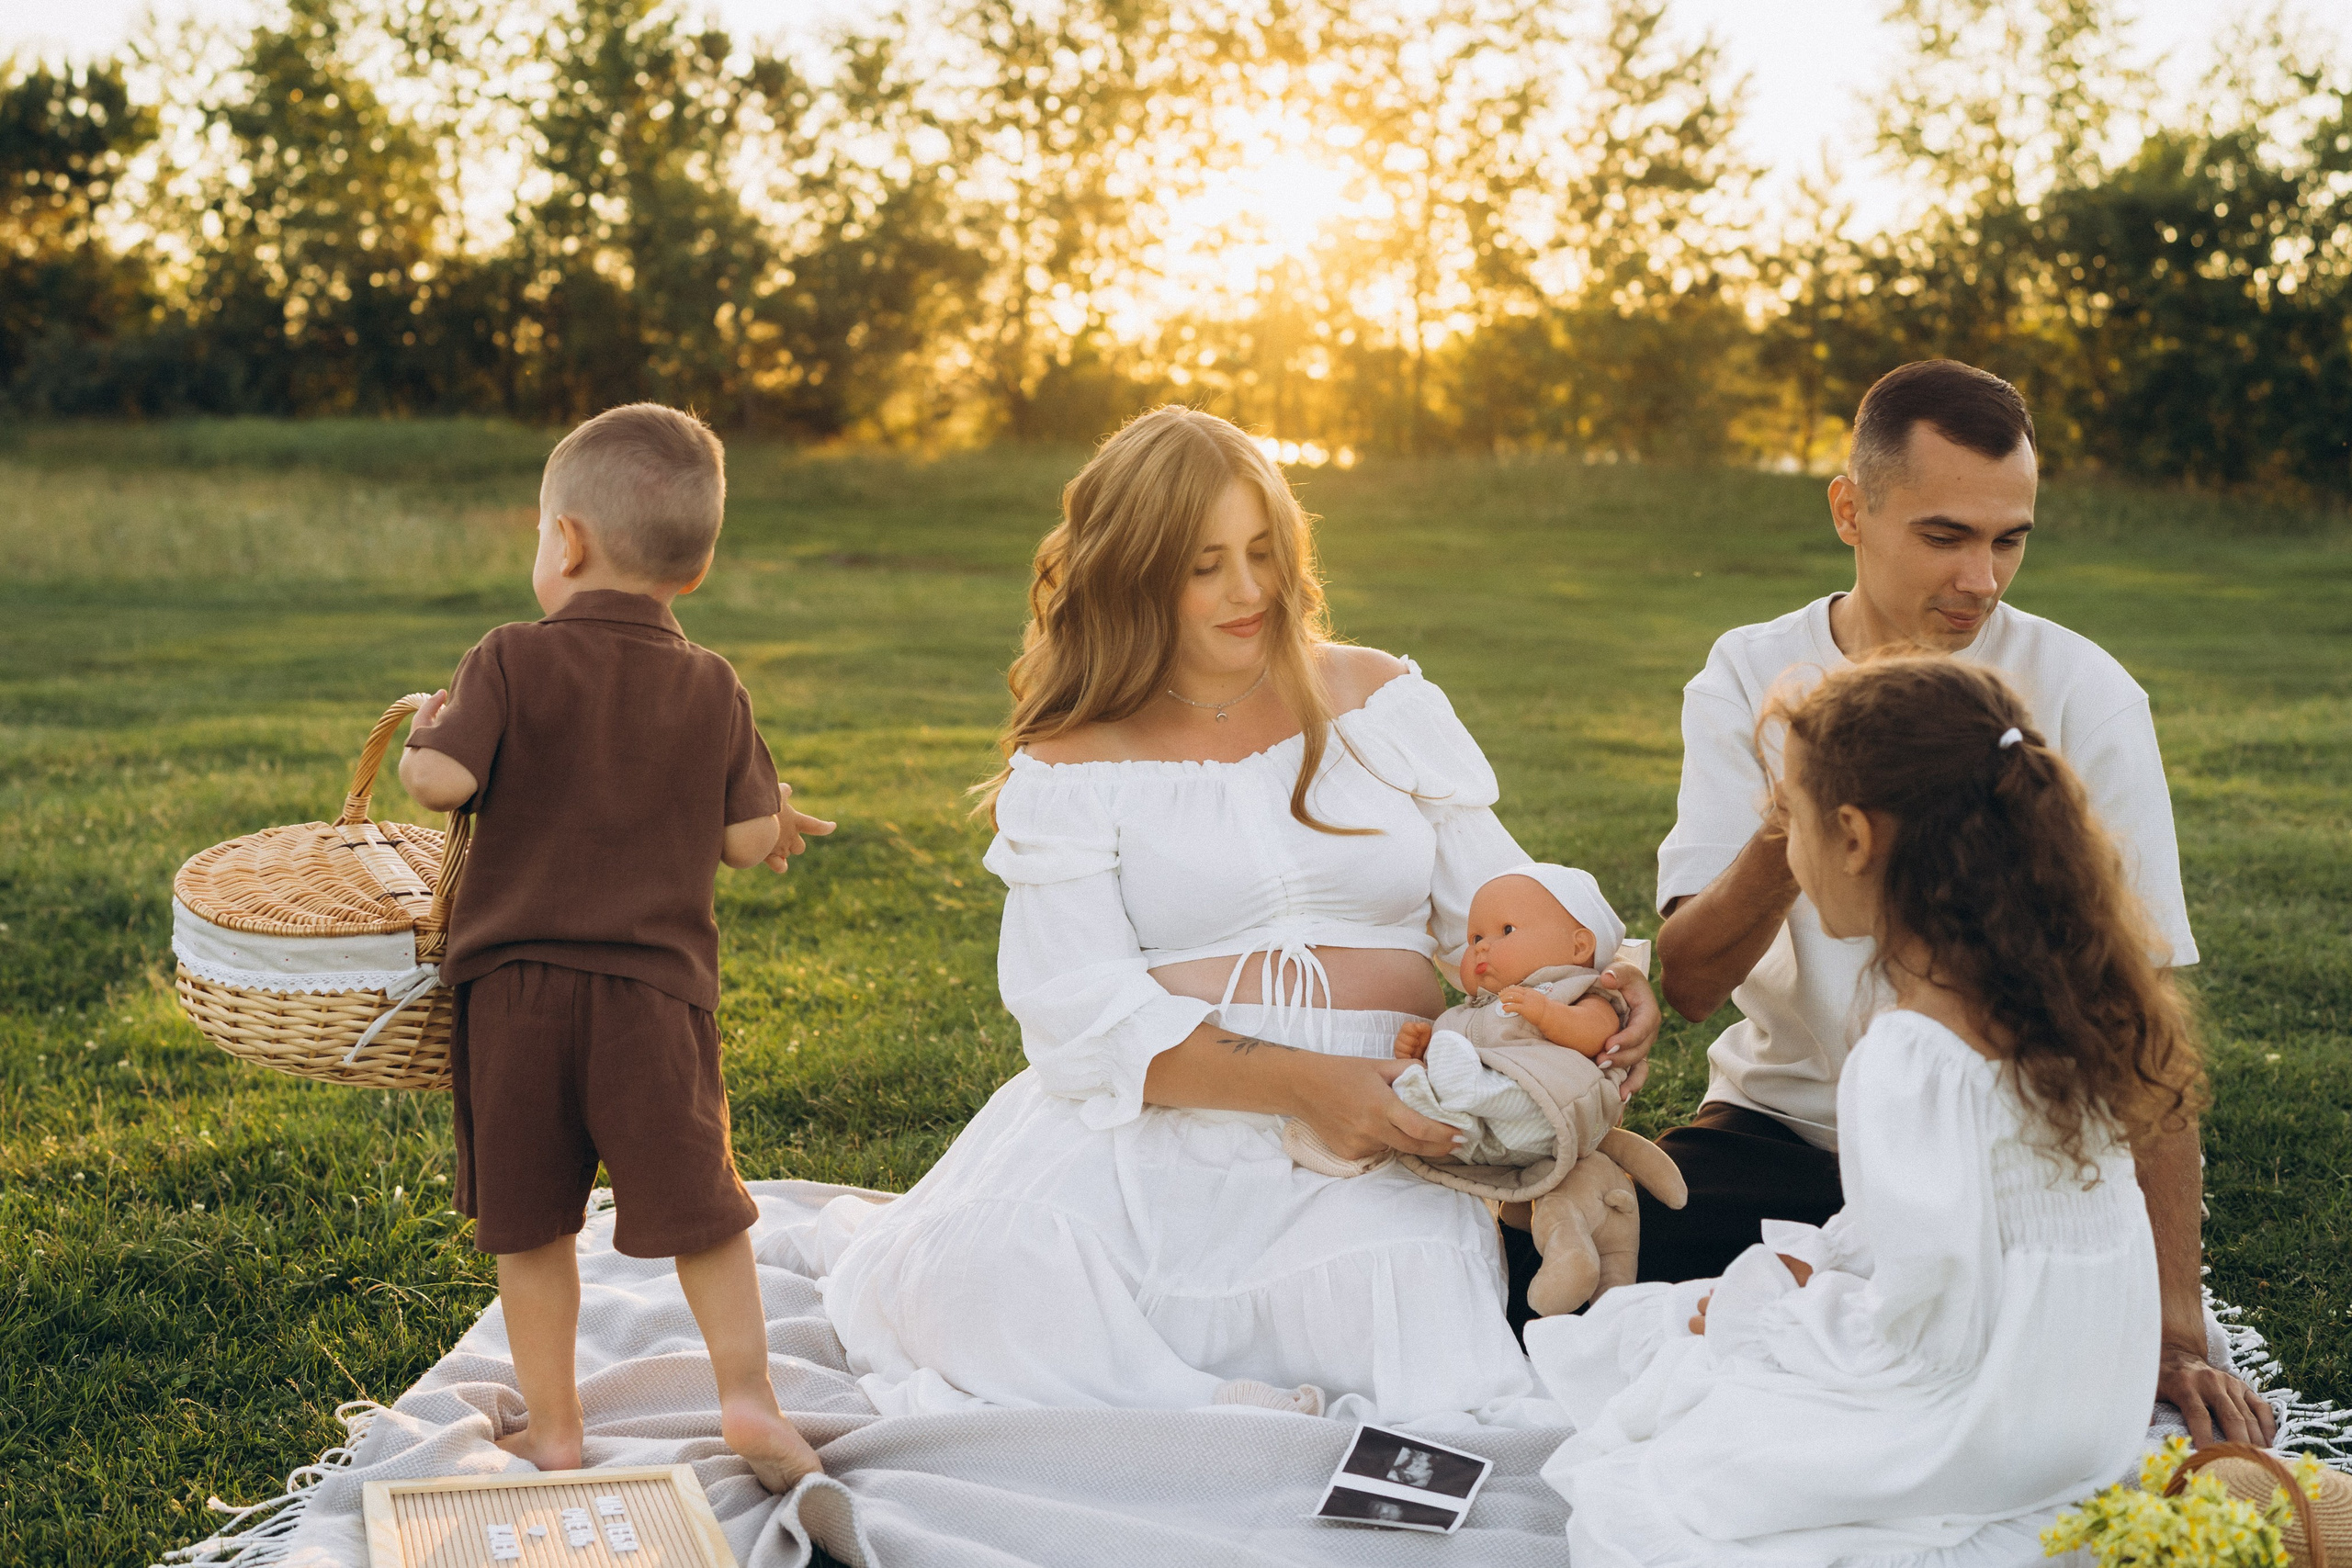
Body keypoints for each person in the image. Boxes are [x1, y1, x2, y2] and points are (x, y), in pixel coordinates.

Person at [814, 405, 1662, 1423]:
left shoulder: (1376, 698)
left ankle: (1246, 1421)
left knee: (1391, 1314)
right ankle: (1217, 1424)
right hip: (1170, 1102)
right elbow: (1074, 1009)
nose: (1250, 590)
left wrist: (1608, 987)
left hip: (1386, 1100)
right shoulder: (1077, 761)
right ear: (1133, 574)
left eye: (1264, 552)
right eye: (1205, 564)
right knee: (985, 1288)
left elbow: (1506, 910)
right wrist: (1302, 1086)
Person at [1644, 358, 2273, 1445]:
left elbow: (2142, 1020)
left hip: (2007, 1157)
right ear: (1851, 508)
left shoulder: (2085, 692)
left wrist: (2175, 1324)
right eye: (1944, 536)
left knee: (2042, 1391)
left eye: (2009, 539)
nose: (1982, 579)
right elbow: (1690, 981)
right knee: (1553, 1294)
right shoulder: (1751, 675)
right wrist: (1795, 812)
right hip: (1786, 1133)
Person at [1530, 654, 2200, 1567]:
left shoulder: (1913, 1052)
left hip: (1978, 1425)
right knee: (1690, 1333)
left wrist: (1770, 1315)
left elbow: (1911, 1324)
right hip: (2087, 1402)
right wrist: (1812, 1272)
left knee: (1656, 1466)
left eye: (1788, 819)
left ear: (1850, 835)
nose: (1787, 848)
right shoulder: (2065, 1001)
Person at [400, 403, 834, 1488]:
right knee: (703, 1208)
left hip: (517, 996)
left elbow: (440, 782)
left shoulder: (505, 659)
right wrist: (773, 812)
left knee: (533, 1225)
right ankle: (747, 1396)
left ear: (568, 542)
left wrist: (425, 731)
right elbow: (742, 842)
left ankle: (555, 1431)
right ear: (691, 570)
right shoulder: (713, 684)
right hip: (655, 1002)